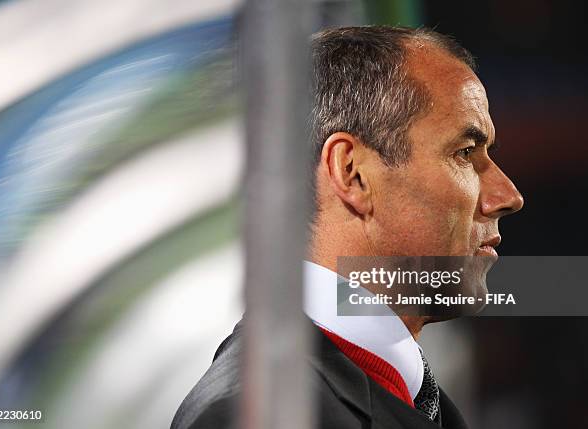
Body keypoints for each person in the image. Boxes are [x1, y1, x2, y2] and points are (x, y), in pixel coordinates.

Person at [171, 25, 523, 429]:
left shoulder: (409, 399)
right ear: (352, 173)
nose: (508, 195)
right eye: (465, 153)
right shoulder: (257, 414)